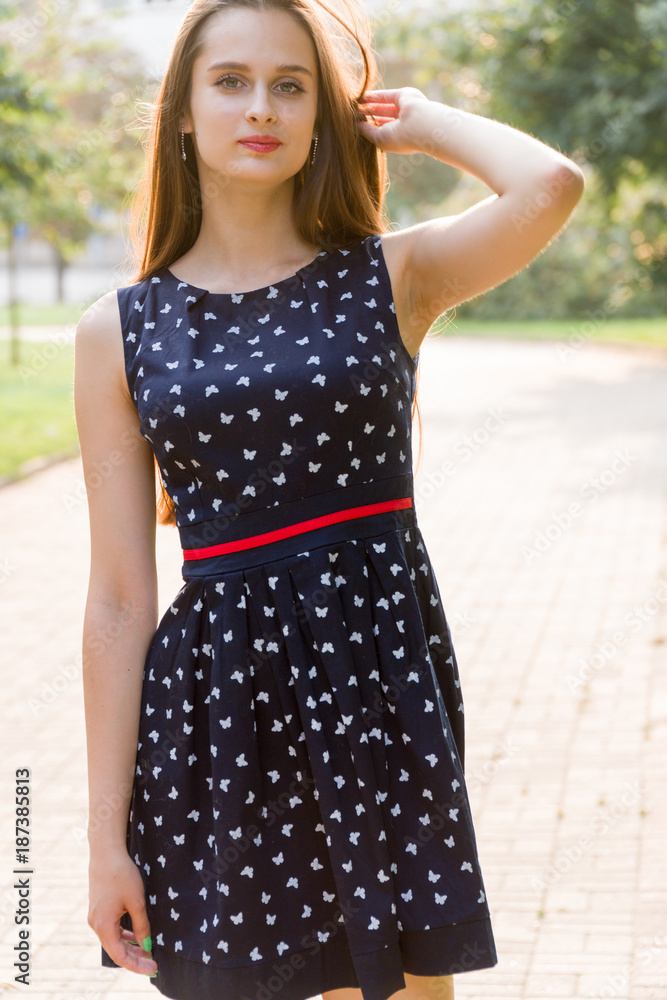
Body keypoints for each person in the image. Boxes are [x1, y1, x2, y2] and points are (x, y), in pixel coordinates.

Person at [74, 1, 584, 999]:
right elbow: (118, 601)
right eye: (230, 81)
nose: (259, 106)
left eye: (290, 85)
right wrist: (104, 842)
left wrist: (421, 117)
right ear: (181, 109)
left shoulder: (391, 274)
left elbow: (548, 185)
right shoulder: (119, 330)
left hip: (376, 698)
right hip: (218, 716)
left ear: (324, 114)